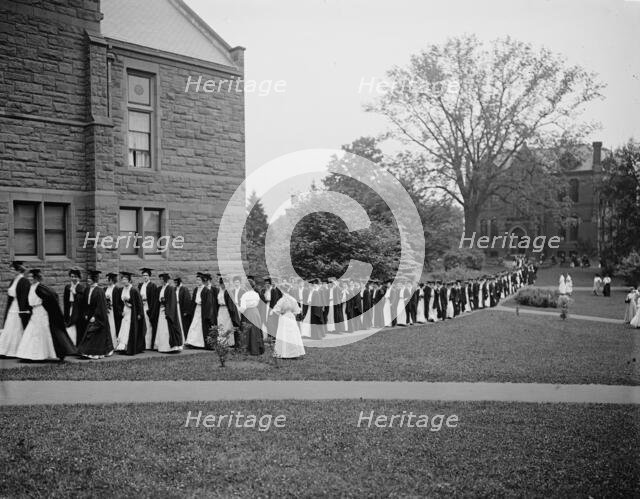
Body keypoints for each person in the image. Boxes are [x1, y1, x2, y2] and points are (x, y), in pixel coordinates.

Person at [15, 269, 77, 362]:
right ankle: (29, 354)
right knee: (31, 332)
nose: (30, 279)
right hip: (35, 312)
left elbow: (52, 297)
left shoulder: (40, 287)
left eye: (31, 277)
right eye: (29, 277)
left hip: (42, 312)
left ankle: (42, 354)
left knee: (40, 332)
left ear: (36, 278)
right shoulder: (31, 287)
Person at [77, 270, 114, 359]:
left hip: (98, 317)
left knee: (94, 334)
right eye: (88, 278)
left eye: (90, 278)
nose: (88, 280)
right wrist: (86, 313)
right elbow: (85, 304)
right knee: (88, 333)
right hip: (89, 315)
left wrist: (95, 316)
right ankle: (86, 351)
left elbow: (101, 306)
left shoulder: (99, 291)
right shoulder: (87, 289)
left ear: (94, 279)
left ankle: (94, 352)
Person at [0, 261, 31, 357]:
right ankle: (5, 350)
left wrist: (23, 311)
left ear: (18, 270)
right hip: (12, 307)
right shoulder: (13, 281)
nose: (11, 271)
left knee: (17, 328)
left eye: (13, 269)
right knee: (9, 327)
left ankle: (17, 350)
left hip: (19, 308)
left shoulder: (24, 281)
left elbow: (24, 298)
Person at [114, 271, 146, 355]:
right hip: (125, 312)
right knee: (124, 328)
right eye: (122, 279)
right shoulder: (121, 290)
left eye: (125, 279)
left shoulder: (134, 290)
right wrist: (121, 311)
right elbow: (119, 303)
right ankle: (123, 347)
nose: (124, 281)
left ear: (129, 280)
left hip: (132, 312)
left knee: (130, 329)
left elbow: (139, 303)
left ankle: (130, 347)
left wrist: (139, 314)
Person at [154, 273, 183, 353]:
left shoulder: (170, 288)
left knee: (167, 329)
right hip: (161, 310)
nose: (160, 281)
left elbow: (172, 301)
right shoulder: (160, 288)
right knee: (161, 328)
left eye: (161, 279)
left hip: (167, 312)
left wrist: (167, 310)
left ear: (165, 280)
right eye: (160, 279)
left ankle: (170, 347)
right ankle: (162, 346)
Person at [272, 292, 305, 359]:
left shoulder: (281, 300)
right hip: (291, 317)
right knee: (293, 334)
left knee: (283, 334)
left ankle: (283, 352)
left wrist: (281, 312)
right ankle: (294, 352)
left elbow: (276, 310)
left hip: (284, 317)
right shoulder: (293, 299)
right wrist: (292, 313)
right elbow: (297, 311)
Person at [185, 272, 213, 348]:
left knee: (201, 326)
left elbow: (208, 303)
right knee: (194, 325)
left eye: (199, 280)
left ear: (203, 281)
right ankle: (192, 342)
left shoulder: (206, 290)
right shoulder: (196, 289)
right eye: (197, 280)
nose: (198, 282)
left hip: (203, 310)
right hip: (196, 310)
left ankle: (200, 343)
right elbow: (193, 301)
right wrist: (189, 311)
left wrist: (207, 315)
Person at [238, 279, 264, 355]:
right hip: (255, 312)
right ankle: (257, 349)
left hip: (248, 312)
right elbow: (258, 303)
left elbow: (243, 308)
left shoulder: (245, 295)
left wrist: (238, 309)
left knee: (247, 330)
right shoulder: (256, 294)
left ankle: (248, 349)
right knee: (255, 330)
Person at [63, 268, 86, 345]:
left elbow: (82, 301)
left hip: (78, 311)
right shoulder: (67, 287)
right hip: (70, 308)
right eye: (72, 276)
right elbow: (65, 301)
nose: (73, 278)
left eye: (75, 277)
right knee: (69, 325)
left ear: (79, 277)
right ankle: (70, 345)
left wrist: (75, 293)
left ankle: (77, 345)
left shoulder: (81, 288)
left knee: (77, 327)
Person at [138, 268, 158, 350]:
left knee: (148, 325)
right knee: (142, 324)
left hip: (148, 307)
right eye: (143, 275)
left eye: (146, 275)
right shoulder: (141, 285)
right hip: (142, 306)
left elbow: (153, 299)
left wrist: (151, 309)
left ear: (149, 276)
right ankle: (142, 344)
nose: (145, 277)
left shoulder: (152, 286)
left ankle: (148, 344)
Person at [174, 276, 192, 342]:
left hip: (182, 309)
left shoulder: (184, 289)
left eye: (176, 282)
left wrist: (186, 311)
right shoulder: (174, 289)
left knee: (183, 324)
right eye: (174, 282)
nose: (175, 283)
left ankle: (184, 339)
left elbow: (187, 300)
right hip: (176, 308)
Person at [104, 272, 119, 348]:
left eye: (108, 279)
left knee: (112, 326)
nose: (107, 281)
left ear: (112, 280)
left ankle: (113, 344)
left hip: (113, 311)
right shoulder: (105, 289)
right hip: (107, 311)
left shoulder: (115, 289)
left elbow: (116, 302)